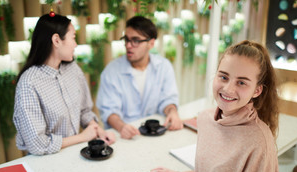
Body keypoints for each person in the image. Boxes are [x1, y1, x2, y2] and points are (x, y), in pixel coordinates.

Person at [143, 40, 280, 172]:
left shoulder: (259, 143)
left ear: (257, 90)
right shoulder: (206, 119)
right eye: (223, 76)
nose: (228, 89)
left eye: (241, 82)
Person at [13, 13, 115, 155]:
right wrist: (82, 137)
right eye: (73, 37)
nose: (75, 44)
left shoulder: (73, 69)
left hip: (75, 155)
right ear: (56, 40)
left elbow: (84, 111)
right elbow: (38, 144)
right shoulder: (29, 83)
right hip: (47, 163)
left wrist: (97, 129)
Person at [96, 16, 183, 139]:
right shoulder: (111, 71)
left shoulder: (163, 66)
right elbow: (109, 111)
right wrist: (122, 127)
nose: (128, 45)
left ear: (151, 43)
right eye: (126, 39)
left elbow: (167, 100)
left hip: (154, 133)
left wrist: (172, 112)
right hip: (125, 135)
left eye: (136, 40)